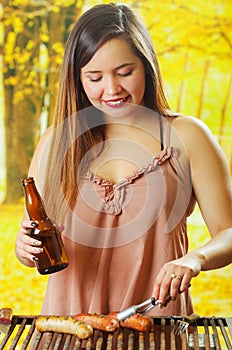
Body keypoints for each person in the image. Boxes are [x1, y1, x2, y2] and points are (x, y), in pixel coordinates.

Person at [15, 3, 232, 320]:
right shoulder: (55, 142)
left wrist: (195, 258)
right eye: (95, 77)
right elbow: (32, 243)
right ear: (78, 79)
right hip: (69, 329)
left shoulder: (187, 136)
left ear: (146, 66)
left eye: (124, 72)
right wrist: (25, 249)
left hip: (158, 328)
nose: (111, 90)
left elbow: (228, 231)